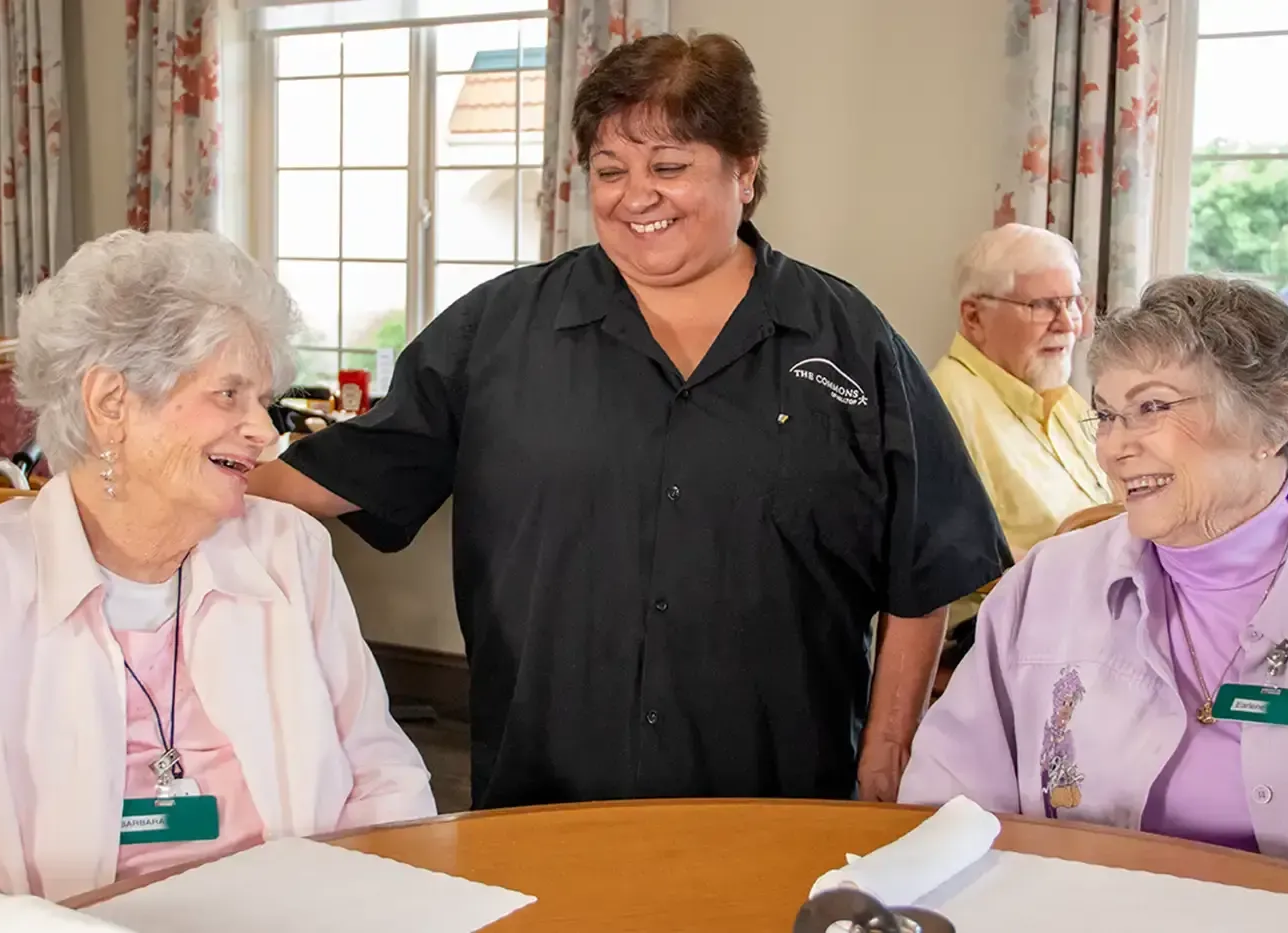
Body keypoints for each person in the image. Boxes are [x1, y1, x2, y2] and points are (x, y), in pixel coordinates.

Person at [246, 33, 1010, 810]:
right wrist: (179, 475)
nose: (634, 195)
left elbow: (927, 556)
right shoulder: (501, 328)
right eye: (610, 171)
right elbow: (351, 468)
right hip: (546, 793)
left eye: (669, 167)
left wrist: (886, 755)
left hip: (780, 798)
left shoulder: (849, 338)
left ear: (745, 169)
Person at [0, 230, 436, 906]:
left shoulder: (289, 550)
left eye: (263, 399)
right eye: (230, 394)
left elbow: (384, 778)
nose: (266, 432)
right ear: (111, 403)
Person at [899, 274, 1288, 872]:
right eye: (1107, 415)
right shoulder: (1047, 583)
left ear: (1275, 421)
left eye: (1151, 408)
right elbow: (948, 802)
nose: (1112, 448)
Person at [929, 225, 1111, 636]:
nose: (1069, 324)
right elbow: (954, 556)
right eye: (1044, 305)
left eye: (1073, 303)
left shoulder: (1062, 399)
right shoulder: (941, 408)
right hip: (1011, 638)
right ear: (973, 316)